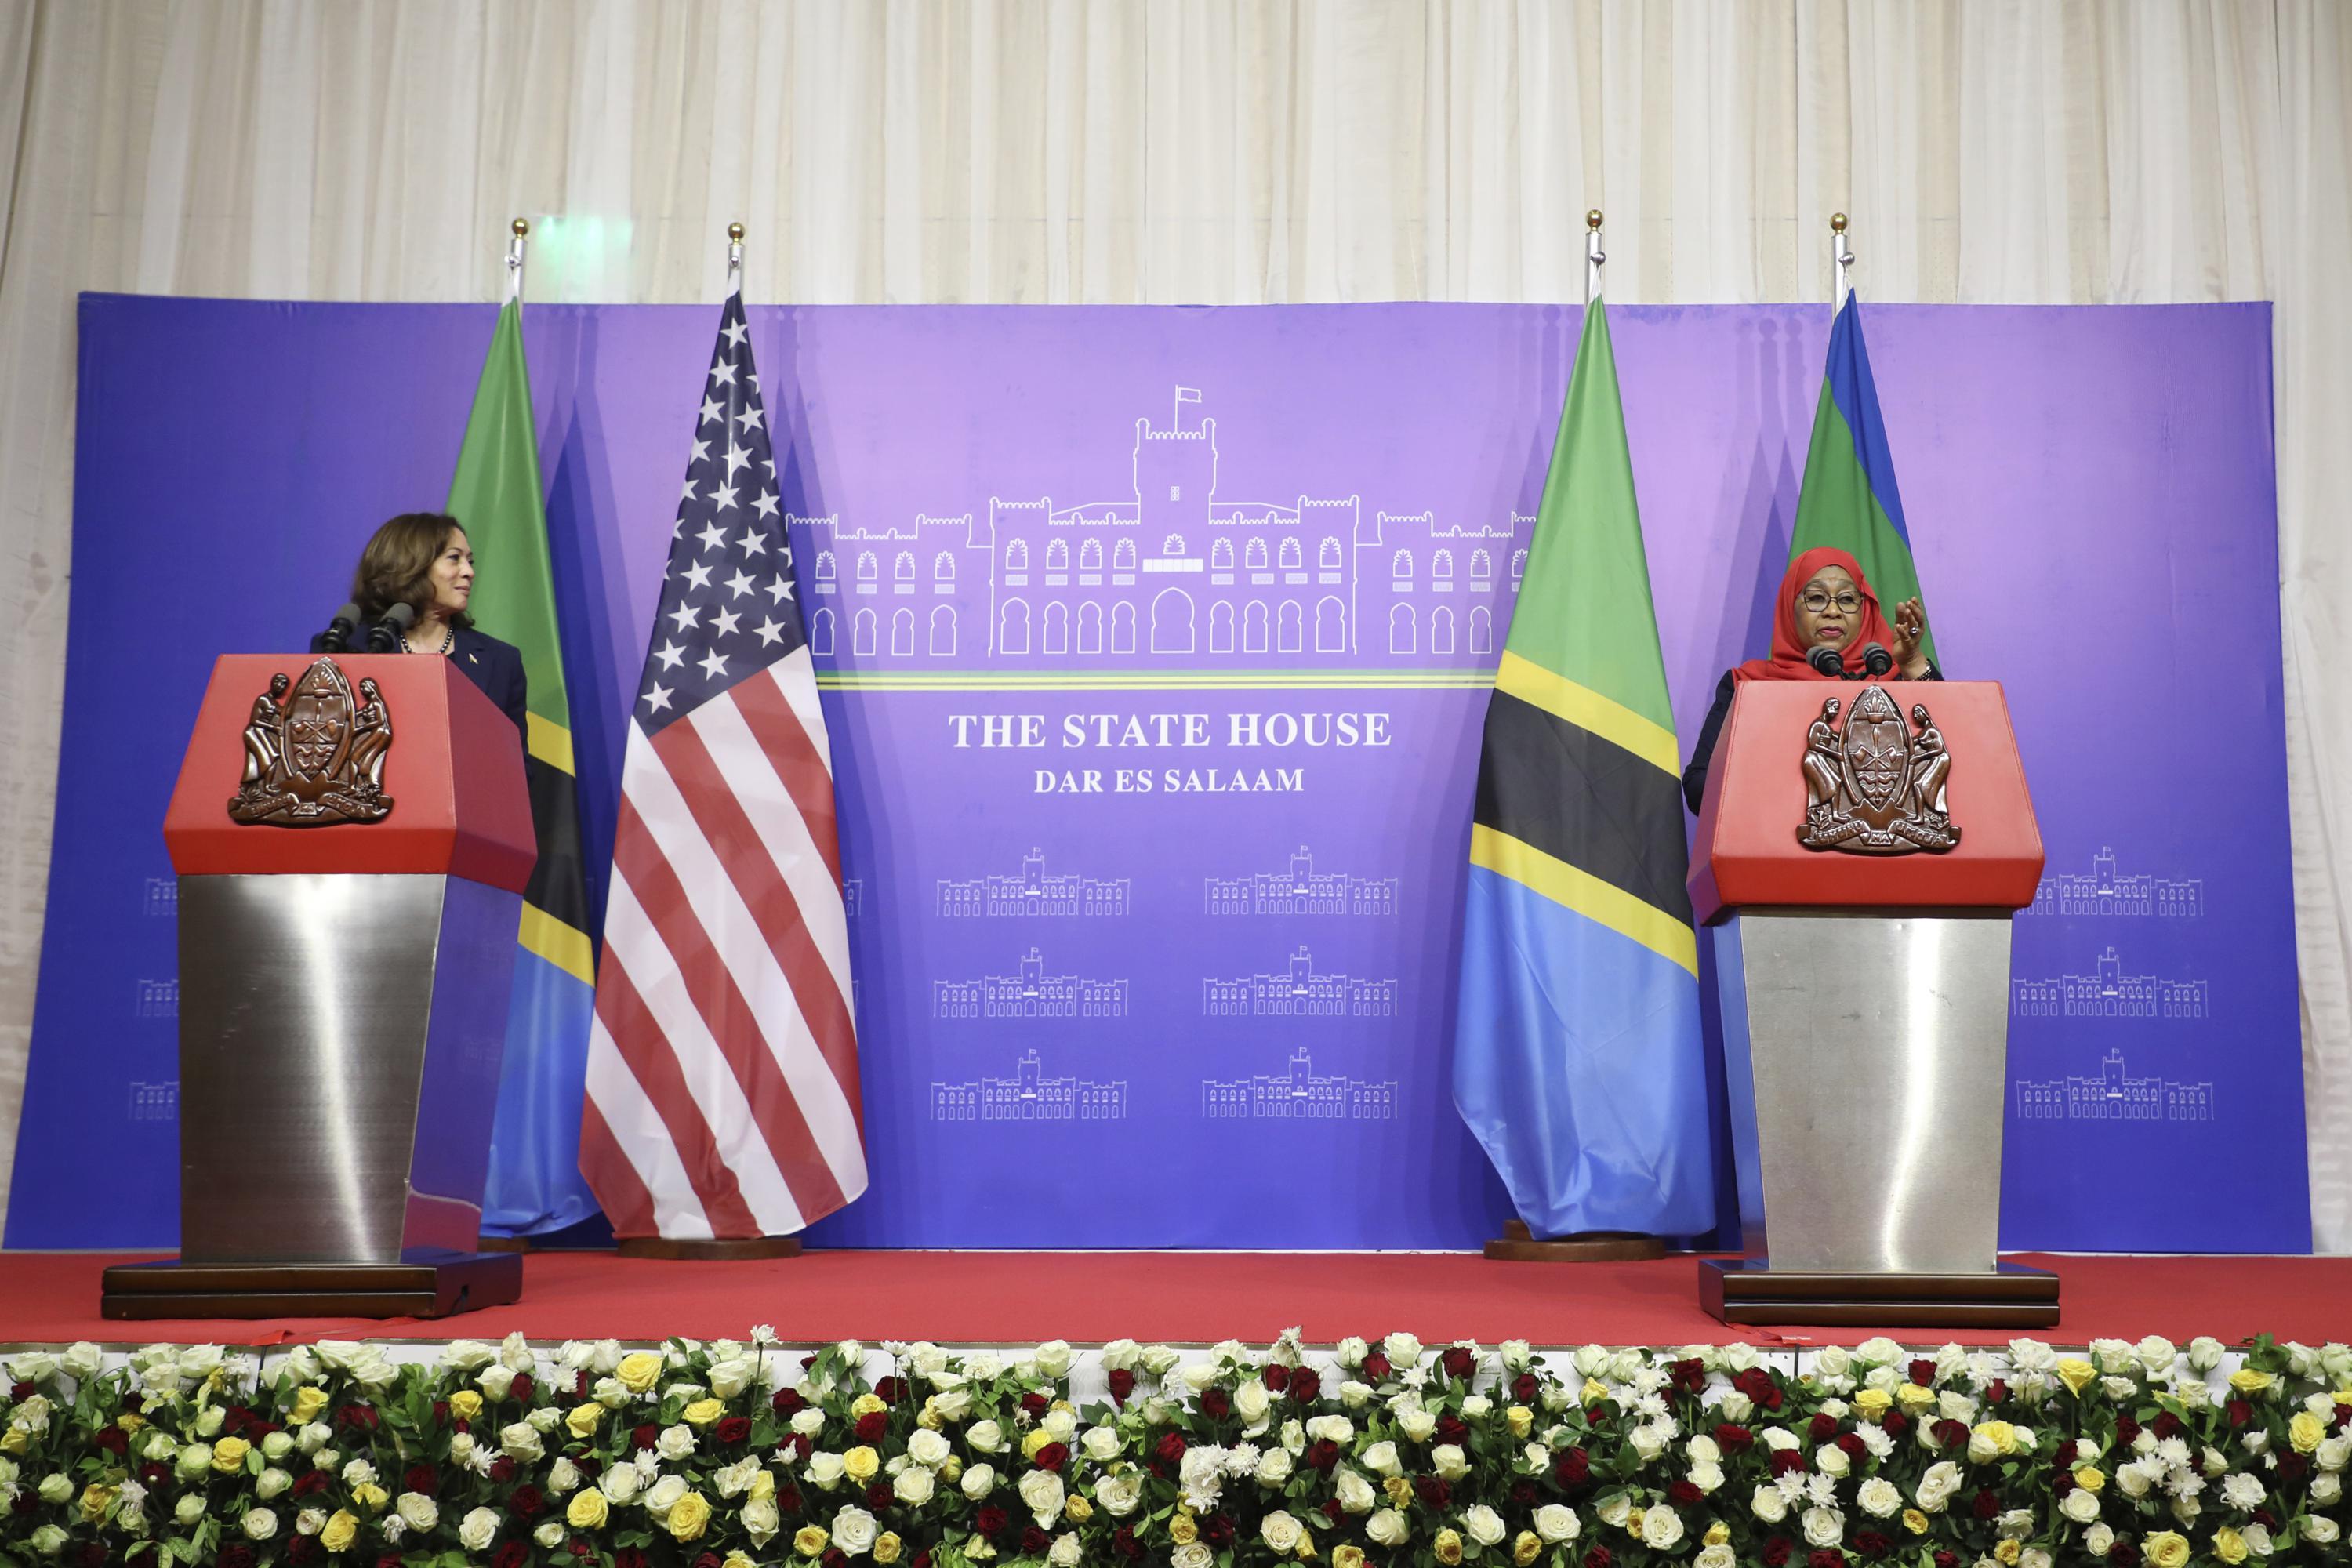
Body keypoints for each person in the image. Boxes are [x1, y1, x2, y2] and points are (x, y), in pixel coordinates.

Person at [1682, 546, 1938, 812]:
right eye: (1816, 598)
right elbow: (1699, 790)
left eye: (1848, 600)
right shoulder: (1748, 685)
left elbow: (1954, 763)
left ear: (1865, 611)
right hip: (1771, 847)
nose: (1833, 611)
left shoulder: (1894, 680)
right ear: (1789, 607)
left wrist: (1912, 663)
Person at [312, 511, 526, 741]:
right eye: (454, 558)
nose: (469, 572)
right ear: (410, 564)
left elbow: (516, 765)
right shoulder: (345, 648)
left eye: (470, 561)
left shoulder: (502, 661)